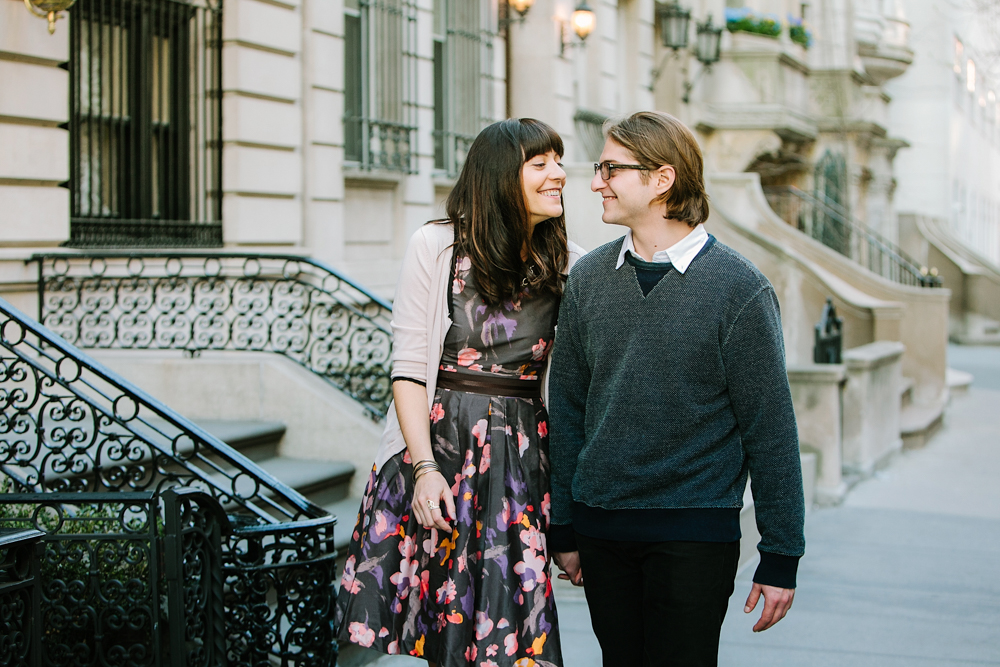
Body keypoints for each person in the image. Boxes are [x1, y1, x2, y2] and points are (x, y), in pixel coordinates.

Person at [547, 110, 805, 667]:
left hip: (694, 532)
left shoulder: (740, 290)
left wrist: (781, 552)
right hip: (602, 527)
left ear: (662, 180)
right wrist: (564, 525)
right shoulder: (589, 278)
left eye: (611, 169)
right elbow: (566, 407)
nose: (596, 182)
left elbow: (771, 428)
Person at [336, 118, 585, 667]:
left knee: (517, 630)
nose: (559, 176)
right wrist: (423, 469)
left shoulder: (567, 263)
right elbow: (408, 367)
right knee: (448, 621)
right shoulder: (436, 245)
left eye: (558, 163)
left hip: (521, 461)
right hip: (440, 453)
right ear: (501, 176)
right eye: (540, 164)